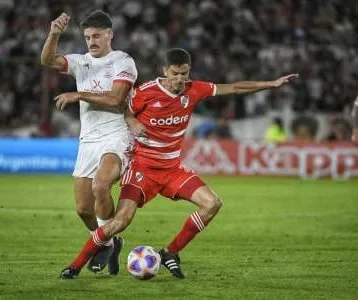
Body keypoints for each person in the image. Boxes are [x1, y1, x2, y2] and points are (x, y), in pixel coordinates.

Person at [59, 48, 298, 279]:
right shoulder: (146, 92)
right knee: (119, 222)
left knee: (212, 204)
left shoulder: (195, 90)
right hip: (143, 169)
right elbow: (125, 110)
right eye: (175, 74)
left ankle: (169, 252)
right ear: (165, 71)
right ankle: (76, 266)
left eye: (184, 74)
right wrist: (131, 122)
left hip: (172, 170)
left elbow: (234, 88)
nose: (180, 80)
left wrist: (270, 84)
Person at [40, 10, 138, 275]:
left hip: (117, 135)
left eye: (96, 36)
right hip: (88, 140)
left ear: (109, 35)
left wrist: (77, 94)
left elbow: (117, 100)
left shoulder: (123, 61)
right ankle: (109, 242)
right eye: (87, 37)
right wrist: (54, 34)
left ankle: (104, 241)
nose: (91, 41)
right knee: (83, 209)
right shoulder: (81, 62)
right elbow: (48, 60)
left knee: (101, 184)